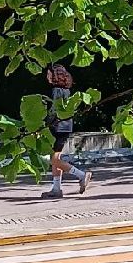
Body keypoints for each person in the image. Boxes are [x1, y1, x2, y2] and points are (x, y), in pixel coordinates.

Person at [42, 64, 91, 198]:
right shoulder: (66, 91)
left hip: (57, 127)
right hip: (65, 126)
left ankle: (81, 175)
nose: (47, 77)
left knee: (53, 160)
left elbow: (53, 110)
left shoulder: (56, 91)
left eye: (49, 74)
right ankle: (56, 188)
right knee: (55, 158)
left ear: (55, 76)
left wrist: (45, 124)